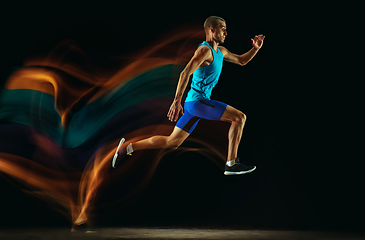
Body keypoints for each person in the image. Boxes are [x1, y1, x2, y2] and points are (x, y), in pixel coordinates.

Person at [112, 16, 265, 175]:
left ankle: (127, 148)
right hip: (197, 103)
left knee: (172, 142)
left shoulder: (221, 51)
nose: (226, 32)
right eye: (222, 28)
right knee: (239, 118)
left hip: (195, 105)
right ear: (211, 30)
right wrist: (177, 100)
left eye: (226, 28)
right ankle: (231, 163)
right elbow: (185, 73)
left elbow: (241, 61)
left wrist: (255, 48)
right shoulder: (204, 50)